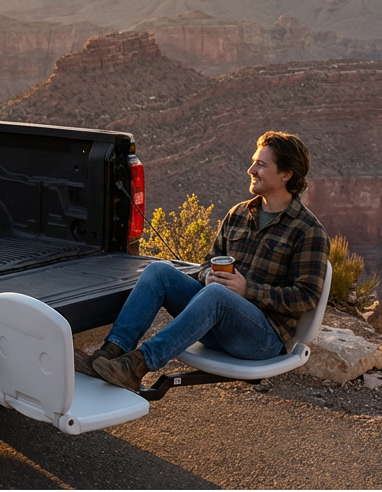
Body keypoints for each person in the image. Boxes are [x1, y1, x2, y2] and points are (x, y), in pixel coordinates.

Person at [76, 131, 330, 390]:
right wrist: (207, 274)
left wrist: (247, 290)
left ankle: (136, 366)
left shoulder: (308, 230)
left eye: (261, 165)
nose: (251, 169)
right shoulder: (239, 214)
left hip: (262, 338)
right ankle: (109, 354)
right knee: (159, 272)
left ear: (287, 174)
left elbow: (306, 297)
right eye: (254, 162)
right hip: (216, 324)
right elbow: (209, 262)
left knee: (217, 295)